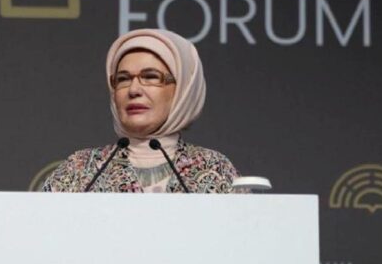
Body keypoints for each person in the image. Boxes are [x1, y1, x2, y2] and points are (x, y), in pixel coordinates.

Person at [42, 28, 239, 193]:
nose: (134, 90)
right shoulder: (80, 170)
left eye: (151, 77)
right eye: (123, 79)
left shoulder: (215, 169)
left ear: (182, 89)